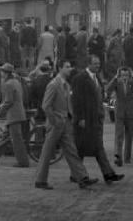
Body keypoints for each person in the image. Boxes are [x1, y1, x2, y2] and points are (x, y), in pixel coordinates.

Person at [35, 60, 98, 190]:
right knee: (47, 152)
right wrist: (55, 121)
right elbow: (46, 106)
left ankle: (82, 178)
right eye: (67, 67)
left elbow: (68, 104)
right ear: (59, 68)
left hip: (65, 123)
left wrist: (71, 118)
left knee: (71, 151)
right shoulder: (53, 85)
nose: (70, 69)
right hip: (56, 123)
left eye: (70, 66)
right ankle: (40, 180)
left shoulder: (67, 85)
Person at [71, 55, 124, 184]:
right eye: (95, 64)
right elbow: (77, 100)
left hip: (97, 118)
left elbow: (99, 94)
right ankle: (106, 174)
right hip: (86, 119)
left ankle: (102, 174)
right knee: (87, 147)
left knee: (93, 147)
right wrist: (81, 118)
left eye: (98, 63)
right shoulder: (80, 78)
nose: (98, 66)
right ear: (88, 64)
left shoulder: (97, 77)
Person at [0, 63, 29, 167]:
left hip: (14, 115)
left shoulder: (8, 84)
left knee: (17, 141)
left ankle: (23, 162)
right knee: (4, 138)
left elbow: (8, 101)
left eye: (2, 71)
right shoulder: (16, 81)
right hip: (17, 114)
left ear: (6, 73)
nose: (1, 73)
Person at [106, 67, 133, 166]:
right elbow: (108, 89)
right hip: (119, 111)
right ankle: (118, 156)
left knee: (129, 135)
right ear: (119, 75)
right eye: (122, 75)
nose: (124, 77)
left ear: (129, 75)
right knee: (119, 134)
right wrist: (115, 78)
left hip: (130, 112)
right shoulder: (117, 82)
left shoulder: (132, 82)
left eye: (126, 75)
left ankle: (127, 157)